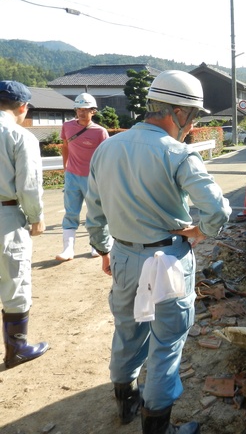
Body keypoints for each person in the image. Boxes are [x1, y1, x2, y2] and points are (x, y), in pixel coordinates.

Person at [85, 70, 231, 433]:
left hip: (122, 255)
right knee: (166, 343)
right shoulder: (178, 154)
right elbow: (217, 211)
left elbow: (95, 211)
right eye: (193, 116)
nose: (192, 124)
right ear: (179, 113)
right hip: (166, 260)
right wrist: (200, 231)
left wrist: (104, 250)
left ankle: (125, 402)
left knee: (127, 329)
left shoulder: (107, 148)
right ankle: (157, 426)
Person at [0, 80, 49, 368]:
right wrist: (36, 217)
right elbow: (28, 185)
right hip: (6, 215)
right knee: (14, 280)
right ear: (22, 107)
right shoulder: (19, 136)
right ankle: (16, 348)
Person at [55, 93, 108, 261]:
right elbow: (65, 146)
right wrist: (65, 167)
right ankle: (68, 249)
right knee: (71, 212)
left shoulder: (100, 132)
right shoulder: (67, 126)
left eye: (85, 110)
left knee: (95, 213)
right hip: (72, 175)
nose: (81, 113)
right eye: (79, 109)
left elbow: (106, 156)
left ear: (93, 111)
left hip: (93, 178)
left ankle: (96, 246)